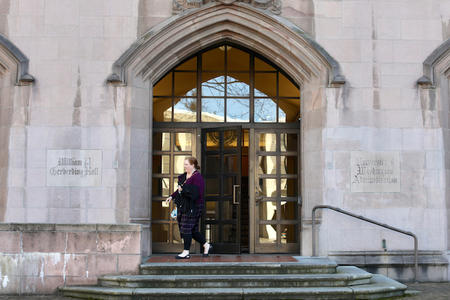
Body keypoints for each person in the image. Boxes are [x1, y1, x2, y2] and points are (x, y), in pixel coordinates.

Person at [165, 157, 212, 259]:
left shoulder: (197, 177)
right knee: (192, 230)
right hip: (185, 205)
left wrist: (184, 189)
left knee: (186, 228)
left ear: (193, 165)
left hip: (194, 207)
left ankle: (186, 252)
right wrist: (171, 196)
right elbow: (179, 190)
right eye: (184, 164)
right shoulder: (184, 177)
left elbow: (196, 193)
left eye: (186, 164)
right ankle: (206, 245)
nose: (184, 166)